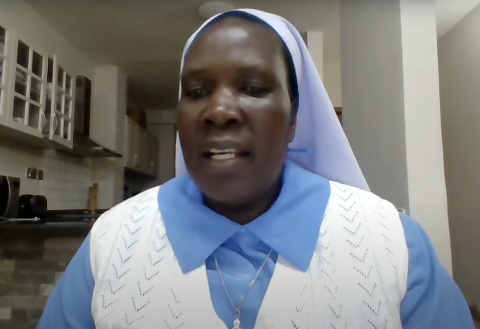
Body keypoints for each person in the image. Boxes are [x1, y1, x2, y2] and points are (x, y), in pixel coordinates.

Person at [37, 8, 475, 329]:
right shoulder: (110, 246)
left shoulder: (392, 245)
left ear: (293, 118)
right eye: (197, 90)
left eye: (252, 88)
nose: (220, 110)